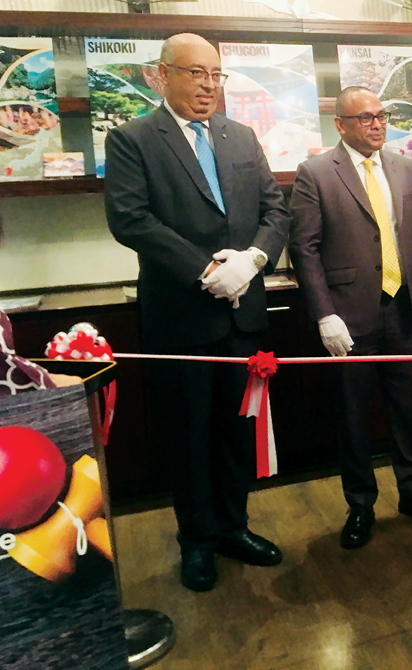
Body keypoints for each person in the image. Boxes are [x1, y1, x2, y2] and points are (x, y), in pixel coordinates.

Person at [104, 33, 290, 592]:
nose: (209, 86)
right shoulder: (133, 139)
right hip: (181, 317)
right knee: (187, 437)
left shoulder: (241, 136)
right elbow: (131, 220)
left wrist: (254, 258)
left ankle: (235, 528)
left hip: (243, 315)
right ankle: (198, 542)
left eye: (217, 75)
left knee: (237, 431)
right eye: (196, 74)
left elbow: (273, 209)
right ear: (162, 76)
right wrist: (208, 270)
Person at [288, 86, 412, 549]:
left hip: (405, 309)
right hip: (349, 316)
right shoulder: (316, 173)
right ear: (340, 125)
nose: (376, 124)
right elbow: (305, 248)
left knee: (406, 409)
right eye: (364, 118)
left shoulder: (403, 166)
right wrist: (324, 314)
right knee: (354, 415)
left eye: (380, 116)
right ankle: (360, 503)